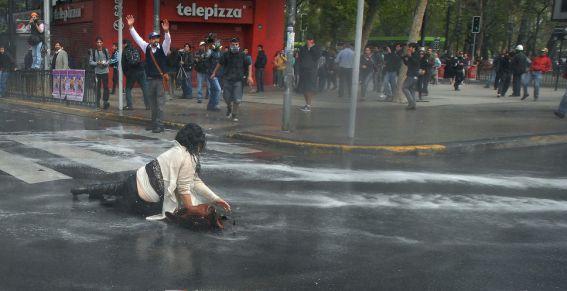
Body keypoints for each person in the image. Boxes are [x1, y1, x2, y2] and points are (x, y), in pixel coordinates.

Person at [70, 123, 231, 227]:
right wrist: (192, 209)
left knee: (114, 188)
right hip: (141, 197)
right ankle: (93, 194)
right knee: (115, 204)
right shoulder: (188, 157)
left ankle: (83, 190)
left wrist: (214, 198)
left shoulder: (177, 150)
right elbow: (184, 188)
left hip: (135, 179)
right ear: (197, 142)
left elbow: (193, 181)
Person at [126, 14, 171, 133]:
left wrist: (166, 32)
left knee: (160, 103)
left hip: (160, 80)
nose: (156, 40)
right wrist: (131, 27)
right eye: (153, 38)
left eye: (157, 38)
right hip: (150, 79)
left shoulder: (163, 48)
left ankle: (160, 125)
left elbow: (168, 41)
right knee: (152, 103)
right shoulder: (146, 47)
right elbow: (138, 39)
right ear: (150, 40)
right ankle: (153, 123)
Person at [211, 37, 253, 122]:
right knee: (226, 98)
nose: (235, 46)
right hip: (227, 79)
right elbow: (220, 63)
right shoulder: (226, 54)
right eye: (233, 45)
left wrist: (249, 76)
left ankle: (234, 114)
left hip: (238, 80)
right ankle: (229, 108)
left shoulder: (243, 55)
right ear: (230, 45)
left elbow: (249, 64)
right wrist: (214, 72)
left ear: (239, 45)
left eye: (236, 44)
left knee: (237, 100)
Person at [122, 39, 149, 110]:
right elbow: (139, 59)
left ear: (124, 44)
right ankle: (148, 105)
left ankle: (129, 106)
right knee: (145, 88)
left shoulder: (125, 51)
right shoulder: (136, 49)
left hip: (132, 73)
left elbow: (123, 64)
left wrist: (126, 74)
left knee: (128, 88)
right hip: (141, 70)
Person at [297, 35, 322, 112]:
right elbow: (300, 58)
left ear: (312, 41)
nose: (307, 41)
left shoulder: (316, 48)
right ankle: (307, 104)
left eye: (309, 40)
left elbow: (317, 57)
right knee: (304, 88)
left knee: (309, 88)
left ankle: (309, 105)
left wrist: (310, 48)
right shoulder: (303, 48)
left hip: (311, 71)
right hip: (303, 70)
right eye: (307, 40)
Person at [89, 37, 111, 110]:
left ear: (102, 43)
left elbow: (109, 60)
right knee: (97, 88)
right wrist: (97, 63)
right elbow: (90, 62)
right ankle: (97, 102)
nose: (99, 43)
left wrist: (105, 63)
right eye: (97, 42)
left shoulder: (105, 50)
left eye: (100, 42)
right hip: (97, 72)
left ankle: (105, 102)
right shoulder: (93, 51)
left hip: (105, 72)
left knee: (106, 87)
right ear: (96, 43)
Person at [205, 40, 222, 111]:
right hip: (211, 74)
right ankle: (215, 105)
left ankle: (210, 106)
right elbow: (206, 56)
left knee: (213, 90)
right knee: (218, 90)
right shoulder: (211, 52)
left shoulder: (220, 53)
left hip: (218, 74)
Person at [402, 43, 420, 110]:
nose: (408, 49)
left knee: (404, 87)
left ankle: (411, 103)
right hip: (411, 74)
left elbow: (416, 63)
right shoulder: (411, 55)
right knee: (411, 90)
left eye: (410, 47)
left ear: (413, 48)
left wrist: (410, 56)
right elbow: (407, 64)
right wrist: (404, 58)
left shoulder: (417, 54)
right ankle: (413, 105)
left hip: (413, 75)